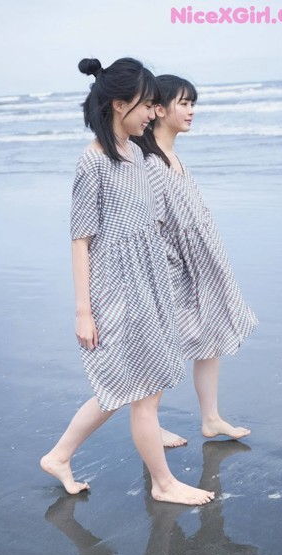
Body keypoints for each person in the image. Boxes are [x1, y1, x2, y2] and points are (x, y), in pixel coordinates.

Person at [39, 58, 214, 506]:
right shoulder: (92, 161)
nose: (153, 114)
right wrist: (84, 310)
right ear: (119, 104)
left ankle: (59, 456)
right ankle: (163, 483)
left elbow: (156, 216)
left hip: (148, 281)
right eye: (148, 106)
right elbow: (80, 240)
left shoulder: (137, 154)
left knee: (126, 386)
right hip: (115, 289)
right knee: (141, 390)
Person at [135, 75, 258, 440]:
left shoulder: (171, 154)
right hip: (175, 270)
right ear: (159, 109)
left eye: (193, 103)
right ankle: (149, 425)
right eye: (184, 103)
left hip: (200, 264)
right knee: (164, 345)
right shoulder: (150, 163)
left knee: (210, 333)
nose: (191, 111)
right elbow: (151, 226)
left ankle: (211, 418)